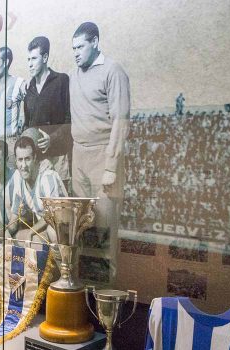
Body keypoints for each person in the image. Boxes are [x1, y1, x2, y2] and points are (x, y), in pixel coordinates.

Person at [69, 22, 130, 283]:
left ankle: (104, 301)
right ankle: (83, 295)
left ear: (95, 42)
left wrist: (110, 166)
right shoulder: (74, 75)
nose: (76, 53)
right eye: (73, 48)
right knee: (82, 230)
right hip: (78, 157)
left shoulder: (113, 70)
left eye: (80, 46)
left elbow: (121, 120)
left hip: (103, 157)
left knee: (104, 232)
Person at [23, 36, 72, 189]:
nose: (30, 64)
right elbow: (27, 125)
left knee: (59, 204)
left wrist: (52, 138)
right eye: (28, 59)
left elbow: (70, 119)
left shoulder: (61, 81)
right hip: (38, 160)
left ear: (45, 57)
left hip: (59, 156)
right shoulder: (29, 90)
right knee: (40, 204)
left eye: (34, 58)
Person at [6, 136, 67, 244]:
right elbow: (15, 217)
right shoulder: (19, 180)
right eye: (20, 159)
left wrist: (31, 232)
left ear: (34, 158)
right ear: (15, 161)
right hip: (46, 224)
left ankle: (65, 260)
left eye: (27, 159)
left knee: (52, 232)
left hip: (64, 225)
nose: (23, 165)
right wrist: (6, 233)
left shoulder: (47, 177)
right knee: (14, 237)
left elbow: (52, 214)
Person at [0, 46, 26, 168]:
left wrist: (23, 123)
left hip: (11, 143)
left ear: (6, 63)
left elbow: (31, 107)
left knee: (12, 182)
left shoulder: (19, 83)